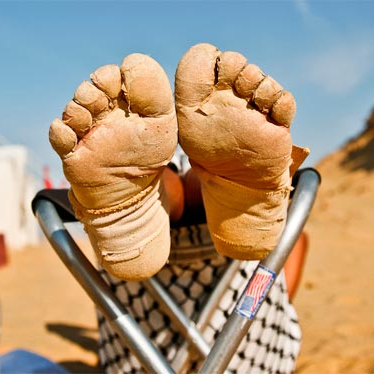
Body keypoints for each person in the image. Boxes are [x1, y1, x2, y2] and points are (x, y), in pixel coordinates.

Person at [49, 43, 309, 373]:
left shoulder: (155, 135)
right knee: (293, 235)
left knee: (168, 182)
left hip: (138, 350)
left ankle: (148, 193)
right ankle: (228, 192)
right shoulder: (188, 131)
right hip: (249, 349)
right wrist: (277, 297)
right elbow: (294, 245)